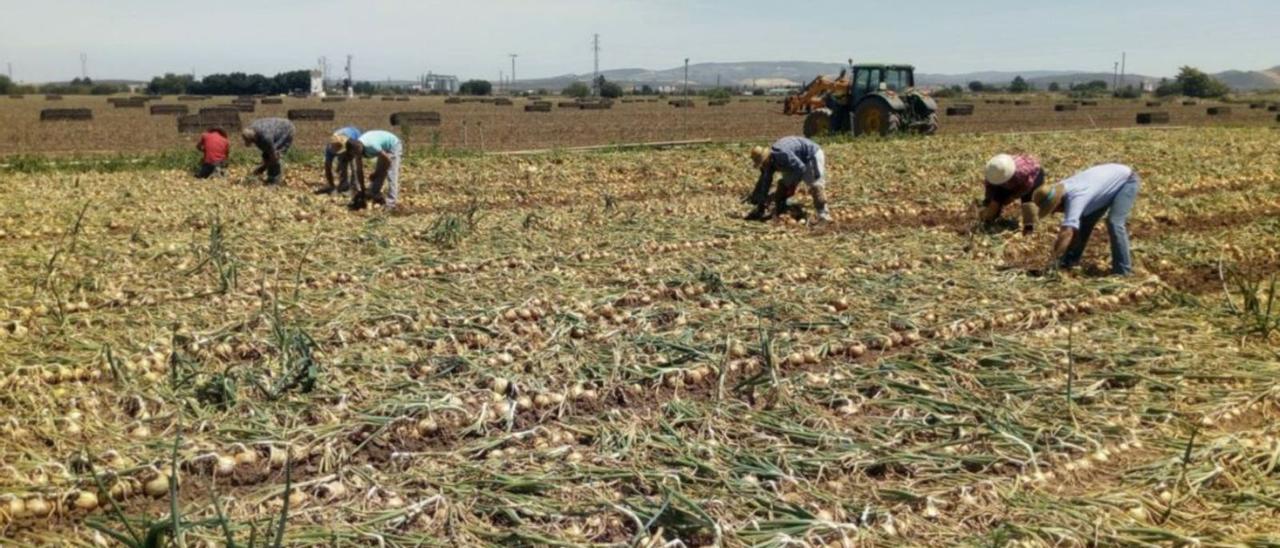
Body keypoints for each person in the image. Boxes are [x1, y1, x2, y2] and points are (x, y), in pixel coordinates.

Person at [1031, 163, 1140, 276]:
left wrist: (1052, 260)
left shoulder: (1076, 197)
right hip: (1105, 184)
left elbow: (1067, 232)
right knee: (1084, 221)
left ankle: (1123, 271)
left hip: (1126, 181)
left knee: (1114, 222)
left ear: (1058, 202)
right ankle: (1068, 263)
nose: (1056, 212)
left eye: (1054, 209)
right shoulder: (1060, 188)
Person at [745, 136, 831, 222]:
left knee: (815, 185)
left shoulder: (782, 155)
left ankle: (824, 216)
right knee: (783, 186)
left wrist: (793, 184)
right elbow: (766, 183)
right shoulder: (767, 165)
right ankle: (782, 210)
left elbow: (801, 168)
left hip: (810, 155)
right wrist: (761, 204)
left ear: (767, 157)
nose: (763, 165)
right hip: (795, 162)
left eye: (763, 162)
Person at [979, 153, 1044, 235]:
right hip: (1008, 177)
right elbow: (989, 188)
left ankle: (1029, 228)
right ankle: (990, 219)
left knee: (1027, 200)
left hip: (1034, 176)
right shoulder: (992, 171)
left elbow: (1026, 188)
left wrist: (1012, 197)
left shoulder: (1021, 173)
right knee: (997, 196)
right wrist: (988, 201)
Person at [342, 130, 404, 211]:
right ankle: (374, 193)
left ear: (359, 147)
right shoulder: (357, 150)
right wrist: (362, 190)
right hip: (382, 149)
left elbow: (388, 160)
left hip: (393, 145)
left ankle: (391, 203)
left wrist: (377, 172)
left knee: (391, 174)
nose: (357, 155)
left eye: (357, 152)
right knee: (379, 174)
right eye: (354, 153)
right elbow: (359, 171)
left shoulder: (371, 146)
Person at [241, 118, 295, 185]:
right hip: (274, 130)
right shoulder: (252, 129)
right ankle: (262, 170)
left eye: (252, 141)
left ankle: (274, 180)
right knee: (267, 154)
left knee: (276, 155)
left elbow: (273, 155)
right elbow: (265, 149)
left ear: (254, 138)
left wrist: (263, 166)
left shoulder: (266, 137)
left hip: (286, 130)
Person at [317, 126, 361, 195]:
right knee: (342, 162)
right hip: (344, 137)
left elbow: (355, 151)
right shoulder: (329, 150)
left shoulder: (349, 142)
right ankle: (344, 184)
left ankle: (354, 187)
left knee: (353, 163)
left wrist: (350, 155)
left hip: (355, 136)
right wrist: (332, 185)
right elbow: (327, 167)